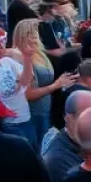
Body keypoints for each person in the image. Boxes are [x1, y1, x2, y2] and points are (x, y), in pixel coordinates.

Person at [12, 19, 77, 150]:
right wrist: (56, 85)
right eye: (34, 33)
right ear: (26, 35)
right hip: (34, 113)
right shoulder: (20, 57)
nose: (38, 36)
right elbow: (28, 94)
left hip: (46, 109)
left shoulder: (40, 53)